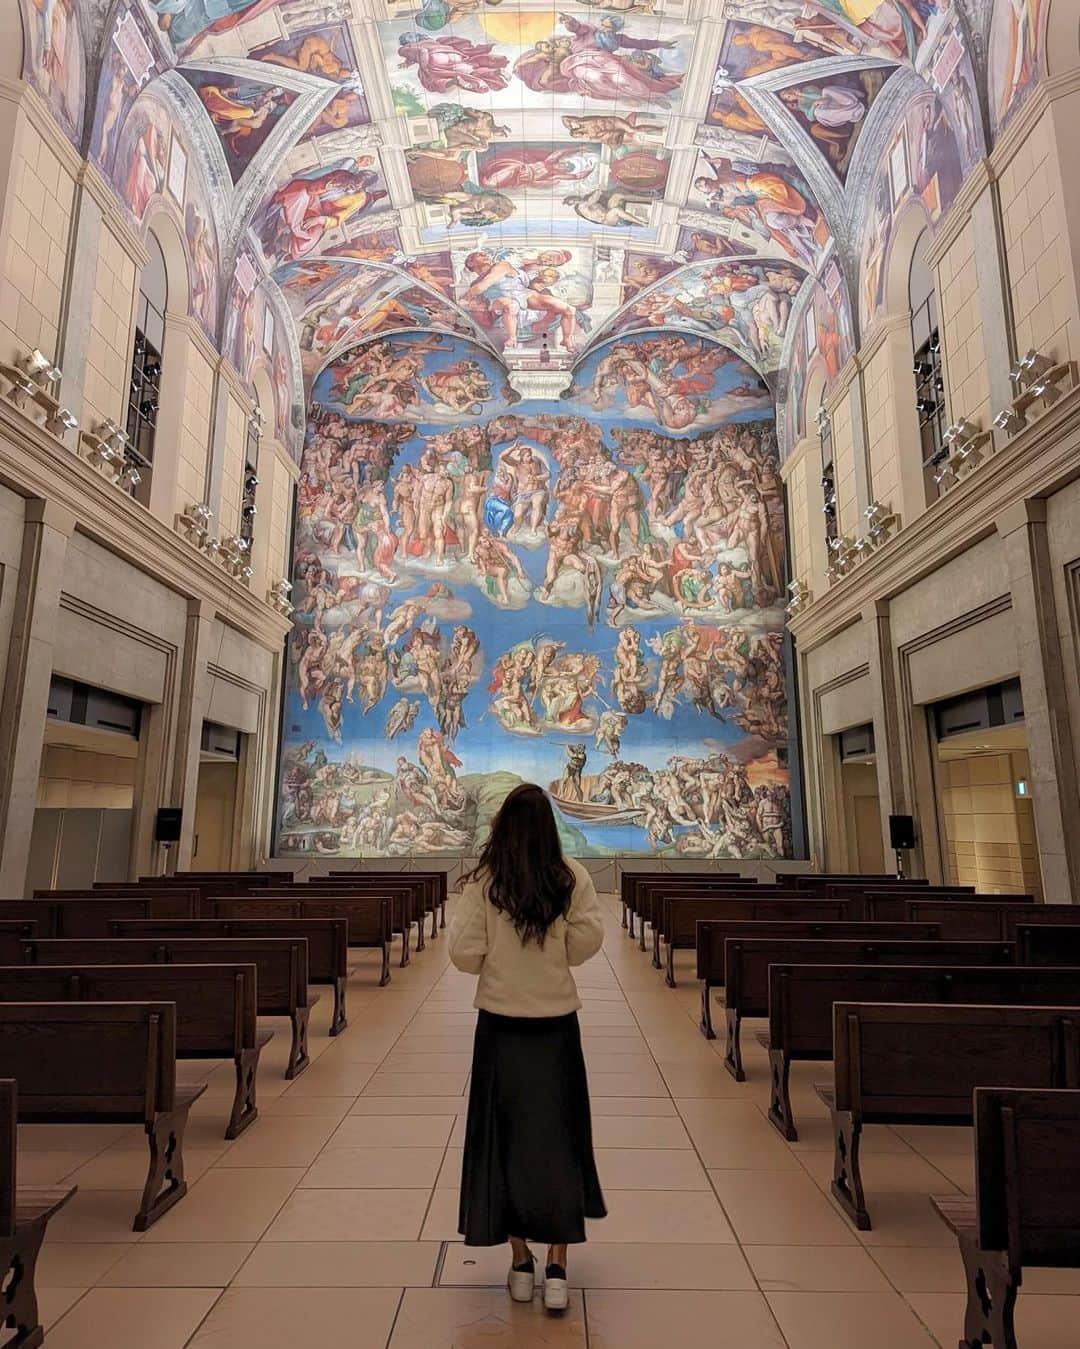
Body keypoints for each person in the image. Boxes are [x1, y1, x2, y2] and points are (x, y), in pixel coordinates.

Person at [449, 785, 606, 1312]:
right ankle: (558, 1265)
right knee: (558, 1139)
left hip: (501, 1027)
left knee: (505, 1140)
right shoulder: (571, 877)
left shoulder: (486, 884)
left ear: (502, 828)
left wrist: (500, 952)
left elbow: (464, 956)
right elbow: (585, 947)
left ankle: (519, 1263)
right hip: (556, 1027)